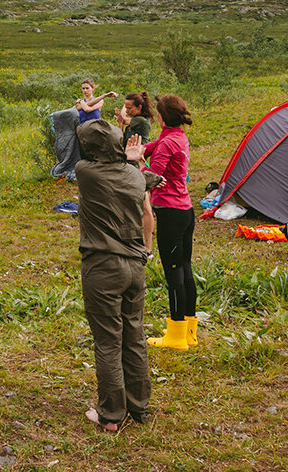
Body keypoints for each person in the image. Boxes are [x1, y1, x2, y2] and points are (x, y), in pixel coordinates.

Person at [74, 119, 161, 432]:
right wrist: (134, 158)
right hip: (135, 267)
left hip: (103, 267)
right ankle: (139, 409)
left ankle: (111, 415)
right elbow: (149, 178)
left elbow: (86, 159)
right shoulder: (135, 176)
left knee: (108, 341)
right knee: (134, 336)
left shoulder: (87, 172)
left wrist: (129, 158)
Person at [142, 94, 197, 350]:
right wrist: (139, 150)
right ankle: (188, 330)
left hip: (170, 212)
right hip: (185, 210)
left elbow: (152, 176)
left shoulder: (167, 143)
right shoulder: (177, 137)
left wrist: (136, 166)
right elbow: (155, 146)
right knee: (185, 269)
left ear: (162, 117)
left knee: (173, 272)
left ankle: (175, 336)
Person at [115, 92, 156, 257]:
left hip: (138, 164)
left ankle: (148, 248)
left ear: (140, 107)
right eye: (126, 107)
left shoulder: (141, 121)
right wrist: (120, 123)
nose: (127, 110)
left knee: (145, 206)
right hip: (125, 162)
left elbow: (125, 118)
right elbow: (119, 137)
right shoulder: (134, 122)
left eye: (130, 107)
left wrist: (121, 116)